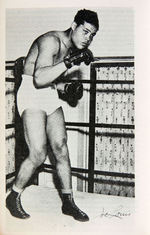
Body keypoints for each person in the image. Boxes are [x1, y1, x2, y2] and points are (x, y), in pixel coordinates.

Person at [6, 9, 99, 222]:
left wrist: (66, 88)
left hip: (47, 94)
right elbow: (38, 78)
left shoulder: (72, 48)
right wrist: (70, 62)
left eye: (92, 35)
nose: (88, 39)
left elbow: (51, 81)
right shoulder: (51, 41)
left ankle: (68, 202)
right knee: (38, 153)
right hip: (31, 92)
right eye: (85, 31)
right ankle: (14, 195)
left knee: (61, 147)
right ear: (74, 26)